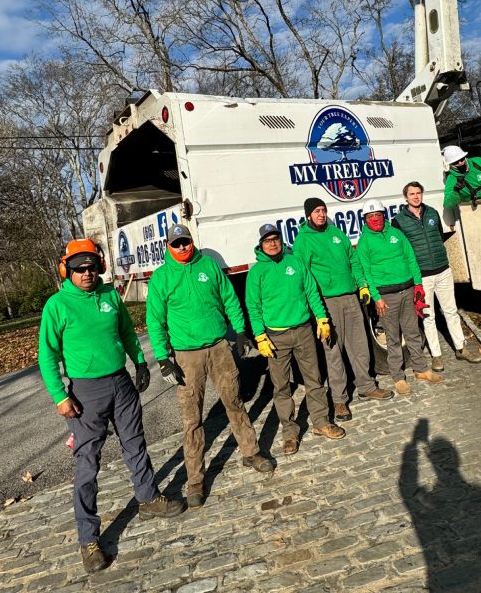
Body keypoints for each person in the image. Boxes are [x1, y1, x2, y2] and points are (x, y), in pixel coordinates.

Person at [38, 238, 183, 574]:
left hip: (121, 383)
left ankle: (148, 499)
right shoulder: (57, 306)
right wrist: (61, 396)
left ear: (99, 266)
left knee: (136, 445)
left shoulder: (109, 295)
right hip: (86, 393)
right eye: (78, 269)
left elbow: (127, 332)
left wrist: (140, 362)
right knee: (87, 464)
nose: (86, 273)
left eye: (91, 267)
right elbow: (47, 355)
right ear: (67, 271)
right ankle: (88, 539)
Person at [145, 224, 274, 510]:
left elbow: (229, 298)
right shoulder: (162, 277)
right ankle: (195, 480)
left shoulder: (208, 266)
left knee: (235, 402)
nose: (182, 247)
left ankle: (251, 451)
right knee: (192, 419)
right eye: (176, 243)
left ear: (192, 241)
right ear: (169, 246)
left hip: (219, 348)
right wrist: (164, 359)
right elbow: (155, 321)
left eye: (185, 242)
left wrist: (240, 331)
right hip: (186, 356)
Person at [245, 223, 345, 455]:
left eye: (276, 239)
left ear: (281, 240)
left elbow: (311, 291)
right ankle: (290, 431)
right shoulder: (256, 272)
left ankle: (321, 422)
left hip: (303, 331)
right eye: (267, 240)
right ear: (261, 244)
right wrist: (259, 335)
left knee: (314, 378)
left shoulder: (295, 262)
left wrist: (322, 318)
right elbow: (253, 306)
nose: (273, 243)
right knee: (281, 386)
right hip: (275, 337)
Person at [292, 197, 393, 422]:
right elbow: (304, 277)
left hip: (350, 297)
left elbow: (353, 261)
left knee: (360, 345)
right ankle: (339, 401)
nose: (321, 214)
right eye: (316, 211)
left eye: (323, 210)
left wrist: (362, 286)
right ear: (308, 215)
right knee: (333, 352)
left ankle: (367, 386)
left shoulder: (336, 233)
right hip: (327, 302)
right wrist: (316, 312)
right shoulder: (303, 241)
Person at [392, 182, 481, 371]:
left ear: (422, 194)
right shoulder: (399, 220)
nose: (416, 197)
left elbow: (439, 237)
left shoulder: (432, 213)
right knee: (428, 316)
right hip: (422, 276)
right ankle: (436, 355)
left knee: (451, 311)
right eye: (412, 194)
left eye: (418, 193)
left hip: (442, 270)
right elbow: (401, 250)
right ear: (405, 197)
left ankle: (461, 348)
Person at [356, 200, 443, 395]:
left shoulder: (396, 234)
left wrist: (418, 285)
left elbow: (411, 258)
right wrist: (376, 297)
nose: (375, 219)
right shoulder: (365, 242)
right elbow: (366, 272)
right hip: (386, 297)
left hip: (408, 290)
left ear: (383, 215)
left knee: (412, 332)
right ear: (365, 220)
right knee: (393, 337)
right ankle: (398, 377)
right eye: (371, 217)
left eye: (378, 215)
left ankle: (421, 369)